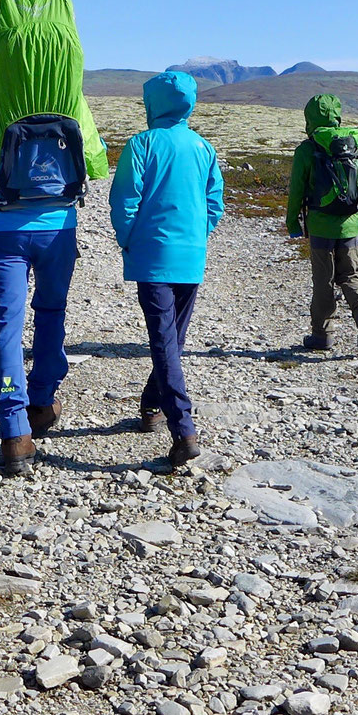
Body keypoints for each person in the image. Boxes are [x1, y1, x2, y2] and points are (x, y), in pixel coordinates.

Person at [0, 0, 108, 476]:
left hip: (1, 230)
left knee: (6, 326)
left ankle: (14, 432)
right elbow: (95, 163)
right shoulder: (72, 98)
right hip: (58, 227)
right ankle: (43, 400)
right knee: (52, 311)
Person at [107, 71, 224, 467]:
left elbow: (124, 199)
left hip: (152, 257)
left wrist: (128, 239)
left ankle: (183, 430)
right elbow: (215, 203)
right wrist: (197, 235)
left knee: (164, 341)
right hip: (191, 257)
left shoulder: (142, 144)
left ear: (152, 103)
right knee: (172, 338)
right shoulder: (203, 147)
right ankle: (152, 404)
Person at [285, 93, 358, 352]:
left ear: (309, 118)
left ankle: (322, 335)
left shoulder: (308, 149)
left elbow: (296, 191)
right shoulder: (354, 144)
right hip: (351, 224)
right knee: (351, 274)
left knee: (324, 281)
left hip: (321, 227)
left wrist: (293, 222)